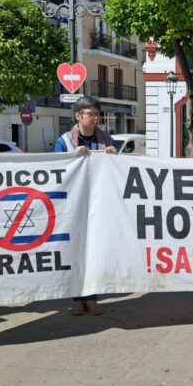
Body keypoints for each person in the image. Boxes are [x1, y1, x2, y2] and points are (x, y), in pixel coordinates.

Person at [55, 96, 118, 315]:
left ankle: (92, 298)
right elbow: (57, 168)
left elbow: (117, 170)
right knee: (75, 251)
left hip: (98, 204)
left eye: (96, 114)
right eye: (90, 114)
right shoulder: (64, 141)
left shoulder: (106, 139)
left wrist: (113, 156)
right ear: (78, 116)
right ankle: (77, 298)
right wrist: (72, 157)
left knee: (95, 251)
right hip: (73, 205)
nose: (95, 117)